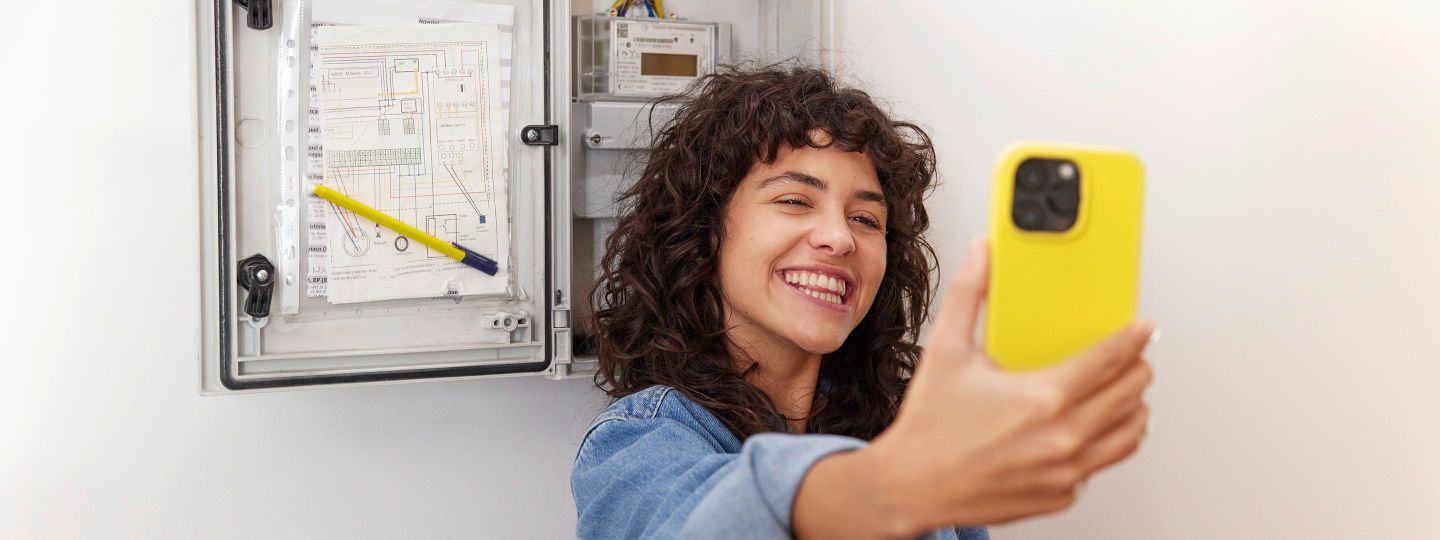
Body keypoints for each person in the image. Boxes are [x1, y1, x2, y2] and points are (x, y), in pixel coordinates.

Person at [570, 64, 1156, 539]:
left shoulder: (903, 429)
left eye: (866, 217)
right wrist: (891, 485)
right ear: (705, 231)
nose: (841, 237)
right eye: (796, 201)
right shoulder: (640, 441)